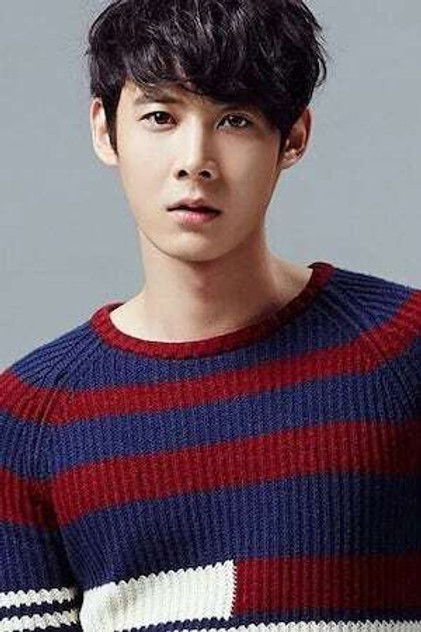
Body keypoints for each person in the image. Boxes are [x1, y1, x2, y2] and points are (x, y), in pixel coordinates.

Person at [1, 2, 420, 632]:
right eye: (161, 117)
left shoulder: (402, 352)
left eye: (235, 119)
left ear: (293, 137)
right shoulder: (29, 418)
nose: (194, 160)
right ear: (105, 130)